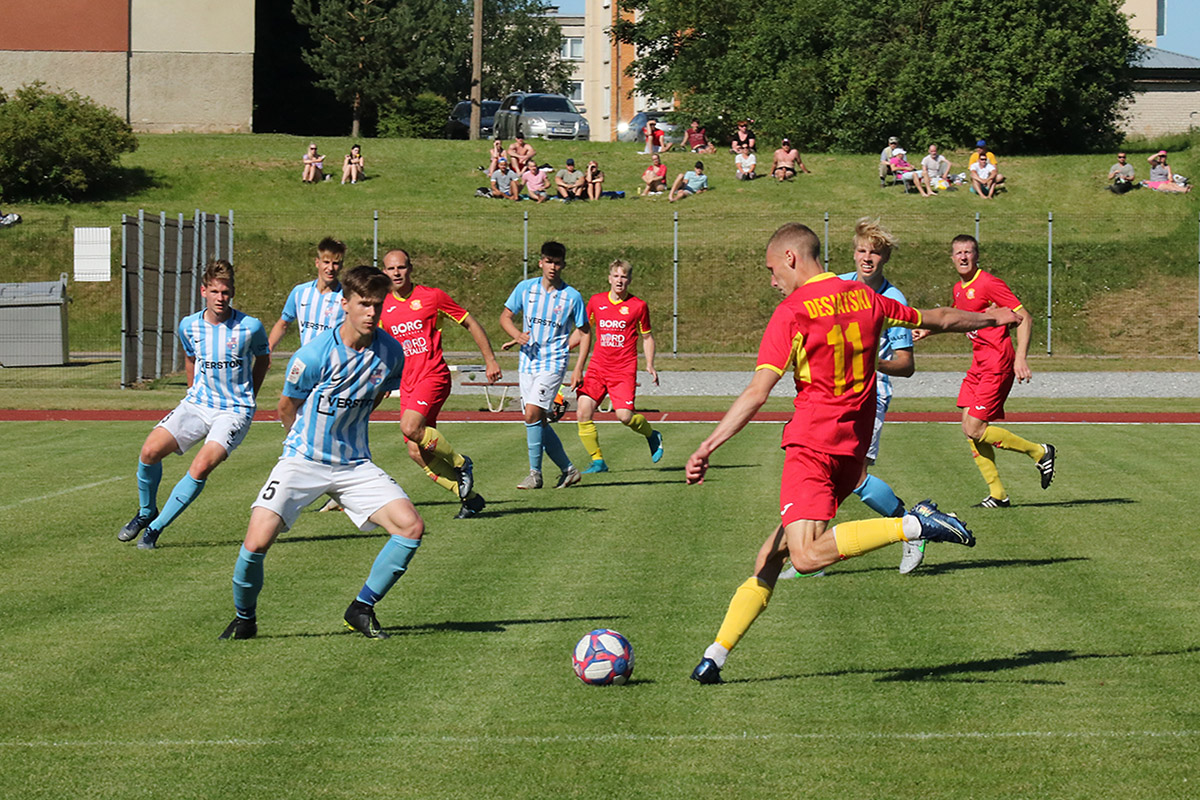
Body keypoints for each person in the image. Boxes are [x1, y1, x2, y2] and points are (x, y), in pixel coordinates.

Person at [686, 222, 1022, 685]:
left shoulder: (792, 311)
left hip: (812, 446)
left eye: (771, 268)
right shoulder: (867, 298)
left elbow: (757, 392)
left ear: (790, 258)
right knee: (770, 555)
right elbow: (941, 318)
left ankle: (914, 524)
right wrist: (994, 318)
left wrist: (708, 445)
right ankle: (715, 657)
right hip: (850, 451)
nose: (772, 279)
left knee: (804, 557)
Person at [218, 266, 421, 641]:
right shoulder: (313, 355)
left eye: (377, 305)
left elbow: (377, 394)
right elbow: (286, 407)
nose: (371, 313)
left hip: (354, 465)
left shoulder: (391, 353)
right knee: (255, 543)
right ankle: (244, 618)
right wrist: (301, 446)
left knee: (410, 528)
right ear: (345, 304)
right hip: (303, 460)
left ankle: (361, 608)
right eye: (363, 304)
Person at [118, 260, 270, 550]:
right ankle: (146, 512)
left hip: (233, 411)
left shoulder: (250, 327)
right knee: (149, 451)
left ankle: (155, 530)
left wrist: (250, 395)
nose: (220, 298)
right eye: (214, 291)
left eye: (225, 292)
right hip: (197, 404)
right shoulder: (189, 326)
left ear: (233, 292)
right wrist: (191, 392)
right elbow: (191, 357)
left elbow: (263, 359)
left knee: (200, 467)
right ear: (203, 291)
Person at [915, 235, 1056, 509]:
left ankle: (1039, 452)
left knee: (975, 428)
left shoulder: (989, 283)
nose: (963, 257)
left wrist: (1021, 358)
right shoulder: (959, 288)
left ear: (977, 256)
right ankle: (998, 495)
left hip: (997, 362)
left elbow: (1024, 317)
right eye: (958, 252)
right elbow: (959, 319)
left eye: (968, 252)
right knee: (969, 430)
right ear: (952, 257)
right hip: (978, 364)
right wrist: (928, 331)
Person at [379, 249, 502, 519]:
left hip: (433, 375)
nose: (397, 273)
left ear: (411, 268)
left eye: (401, 267)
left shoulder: (432, 297)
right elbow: (381, 348)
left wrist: (490, 359)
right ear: (384, 272)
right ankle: (469, 498)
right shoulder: (382, 306)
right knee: (416, 450)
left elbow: (469, 322)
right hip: (408, 383)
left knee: (410, 427)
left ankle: (461, 463)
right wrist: (382, 379)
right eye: (391, 269)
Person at [499, 241, 589, 490]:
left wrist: (578, 367)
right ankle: (569, 470)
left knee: (531, 414)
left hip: (553, 362)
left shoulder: (572, 297)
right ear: (540, 263)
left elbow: (585, 332)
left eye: (557, 263)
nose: (553, 267)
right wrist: (517, 335)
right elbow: (505, 317)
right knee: (537, 420)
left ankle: (535, 475)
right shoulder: (525, 289)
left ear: (563, 265)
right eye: (549, 262)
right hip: (527, 362)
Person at [570, 259, 663, 474]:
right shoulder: (596, 301)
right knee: (583, 412)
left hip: (623, 370)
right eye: (616, 276)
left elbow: (647, 337)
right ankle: (598, 461)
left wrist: (650, 364)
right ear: (609, 278)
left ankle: (652, 435)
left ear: (629, 280)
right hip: (597, 367)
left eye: (624, 277)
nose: (619, 280)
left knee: (624, 417)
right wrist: (563, 347)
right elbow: (583, 331)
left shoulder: (638, 306)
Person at [269, 237, 346, 352]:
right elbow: (283, 323)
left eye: (335, 263)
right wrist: (268, 351)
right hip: (306, 359)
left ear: (341, 266)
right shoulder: (300, 292)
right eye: (326, 262)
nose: (330, 268)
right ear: (317, 263)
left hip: (334, 360)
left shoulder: (347, 296)